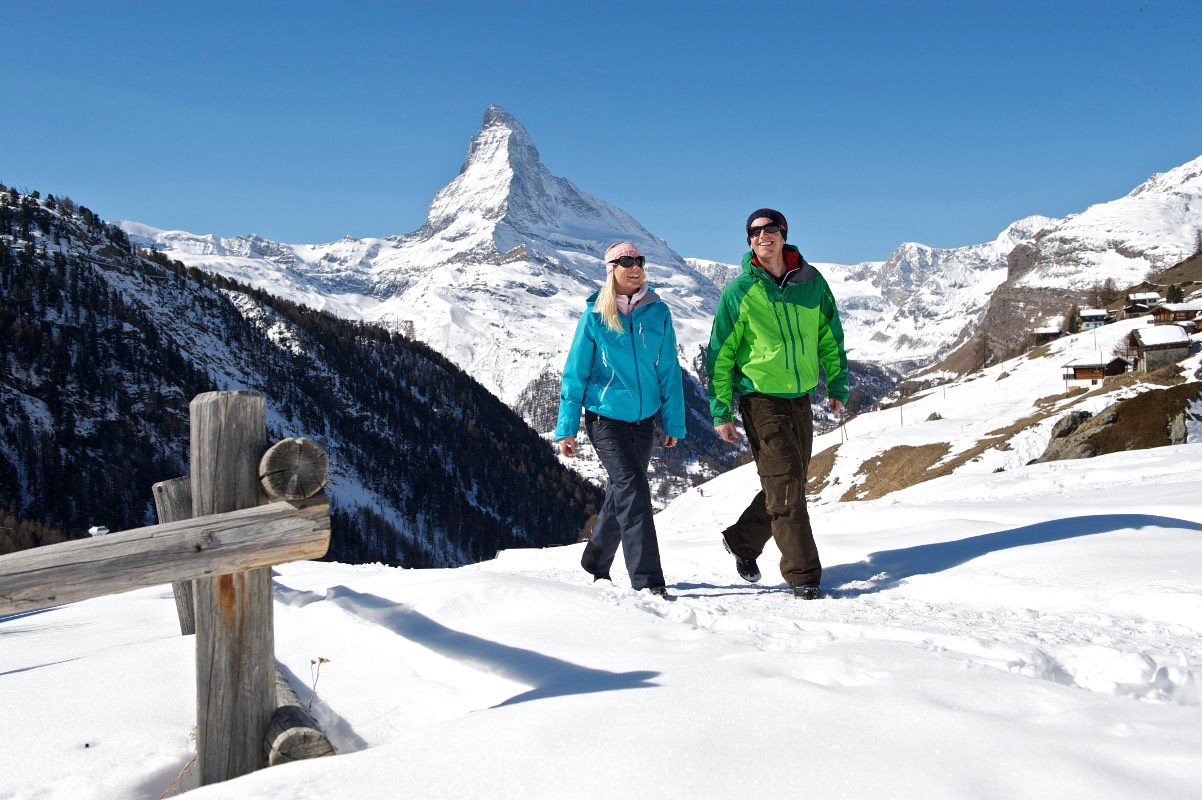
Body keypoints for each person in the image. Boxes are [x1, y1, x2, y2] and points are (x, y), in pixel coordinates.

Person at [706, 209, 848, 600]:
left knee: (791, 483)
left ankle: (742, 540)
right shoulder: (740, 292)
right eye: (754, 232)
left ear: (783, 234)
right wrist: (721, 409)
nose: (762, 236)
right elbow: (720, 354)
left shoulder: (811, 282)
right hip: (760, 399)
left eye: (769, 229)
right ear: (749, 241)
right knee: (785, 482)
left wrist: (837, 382)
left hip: (800, 398)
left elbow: (829, 335)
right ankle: (803, 576)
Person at [556, 242, 687, 599]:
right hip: (605, 419)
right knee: (634, 490)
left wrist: (673, 422)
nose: (635, 267)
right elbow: (575, 373)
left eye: (639, 261)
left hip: (644, 421)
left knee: (622, 491)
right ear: (611, 268)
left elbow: (669, 369)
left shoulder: (657, 312)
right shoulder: (595, 316)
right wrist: (566, 427)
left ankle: (596, 558)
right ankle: (648, 580)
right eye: (626, 262)